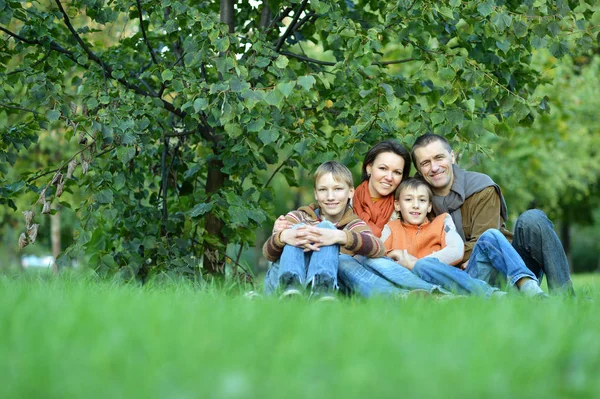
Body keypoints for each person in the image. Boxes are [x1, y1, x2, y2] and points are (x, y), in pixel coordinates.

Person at [271, 140, 444, 298]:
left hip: (391, 266)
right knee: (344, 260)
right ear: (369, 168)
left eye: (397, 172)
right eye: (383, 168)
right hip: (341, 267)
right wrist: (282, 233)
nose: (389, 177)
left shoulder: (406, 205)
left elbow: (421, 236)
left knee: (371, 260)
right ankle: (409, 296)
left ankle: (434, 292)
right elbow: (315, 216)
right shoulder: (343, 199)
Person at [410, 133, 575, 296]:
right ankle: (505, 297)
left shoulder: (481, 187)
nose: (434, 167)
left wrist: (444, 255)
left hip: (506, 268)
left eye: (439, 157)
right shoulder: (415, 202)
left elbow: (485, 243)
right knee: (425, 267)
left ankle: (564, 297)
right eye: (425, 163)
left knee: (532, 220)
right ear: (418, 170)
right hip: (460, 278)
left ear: (452, 156)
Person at [383, 177, 546, 297]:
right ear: (397, 205)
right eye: (408, 200)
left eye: (422, 200)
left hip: (461, 279)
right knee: (423, 267)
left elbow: (456, 250)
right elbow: (378, 259)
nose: (416, 205)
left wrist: (414, 263)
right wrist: (393, 254)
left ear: (429, 206)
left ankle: (530, 288)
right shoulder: (391, 229)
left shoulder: (442, 221)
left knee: (491, 235)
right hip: (432, 289)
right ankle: (498, 296)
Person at [262, 161, 385, 300]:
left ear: (351, 192)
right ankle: (291, 286)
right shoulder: (298, 216)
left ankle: (322, 287)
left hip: (327, 288)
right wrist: (283, 236)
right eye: (323, 190)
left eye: (338, 189)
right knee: (298, 229)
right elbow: (268, 255)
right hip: (281, 286)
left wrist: (339, 237)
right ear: (315, 193)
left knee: (327, 228)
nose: (330, 196)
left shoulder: (353, 224)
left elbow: (378, 248)